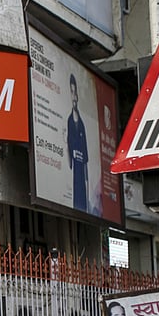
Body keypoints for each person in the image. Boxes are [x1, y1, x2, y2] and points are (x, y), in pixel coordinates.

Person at [66, 74, 92, 214]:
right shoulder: (68, 122)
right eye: (72, 92)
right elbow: (68, 162)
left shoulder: (82, 124)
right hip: (73, 179)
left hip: (82, 177)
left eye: (75, 92)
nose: (74, 96)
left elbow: (86, 161)